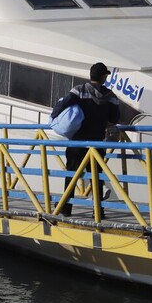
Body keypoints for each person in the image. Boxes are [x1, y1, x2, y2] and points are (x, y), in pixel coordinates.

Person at [50, 62, 120, 218]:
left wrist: (54, 117)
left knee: (72, 175)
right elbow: (115, 118)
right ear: (103, 77)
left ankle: (66, 208)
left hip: (78, 142)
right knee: (96, 177)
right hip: (97, 144)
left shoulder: (79, 91)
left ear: (91, 75)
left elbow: (62, 104)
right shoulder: (111, 96)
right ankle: (98, 211)